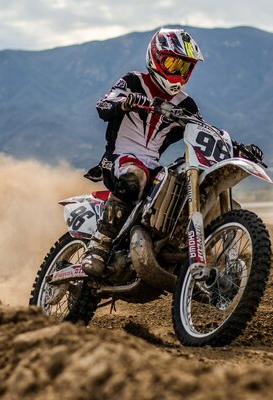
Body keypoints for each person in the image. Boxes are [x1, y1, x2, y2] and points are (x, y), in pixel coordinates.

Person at [81, 28, 262, 277]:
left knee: (177, 185)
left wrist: (236, 147)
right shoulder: (134, 81)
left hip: (153, 165)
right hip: (120, 160)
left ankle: (177, 252)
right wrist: (126, 102)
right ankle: (99, 245)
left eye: (185, 67)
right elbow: (104, 105)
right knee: (136, 175)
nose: (178, 73)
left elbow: (203, 129)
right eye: (172, 63)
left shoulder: (186, 104)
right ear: (155, 58)